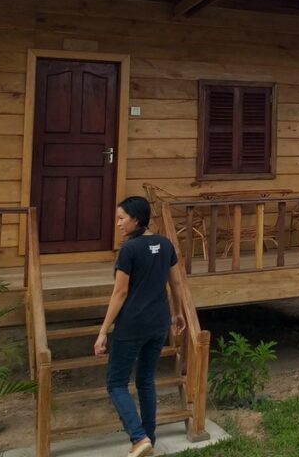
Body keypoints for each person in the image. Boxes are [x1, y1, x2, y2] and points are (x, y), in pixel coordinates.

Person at [95, 196, 186, 457]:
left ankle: (138, 438)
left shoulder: (129, 250)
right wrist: (177, 313)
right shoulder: (165, 244)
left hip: (132, 325)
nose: (118, 224)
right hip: (158, 323)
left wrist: (103, 331)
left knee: (116, 384)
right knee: (146, 380)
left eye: (121, 218)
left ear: (137, 218)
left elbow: (119, 293)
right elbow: (177, 284)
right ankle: (149, 440)